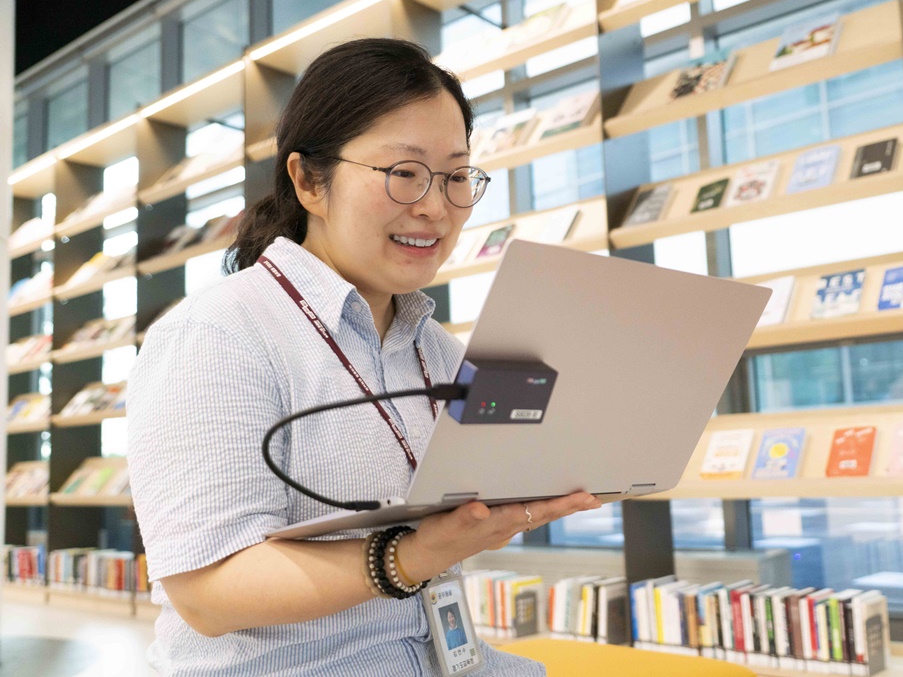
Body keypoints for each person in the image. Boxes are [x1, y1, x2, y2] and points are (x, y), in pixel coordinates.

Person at [127, 38, 602, 675]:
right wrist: (407, 556)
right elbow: (208, 596)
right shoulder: (217, 334)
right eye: (404, 173)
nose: (435, 207)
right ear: (308, 181)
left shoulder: (439, 352)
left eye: (457, 176)